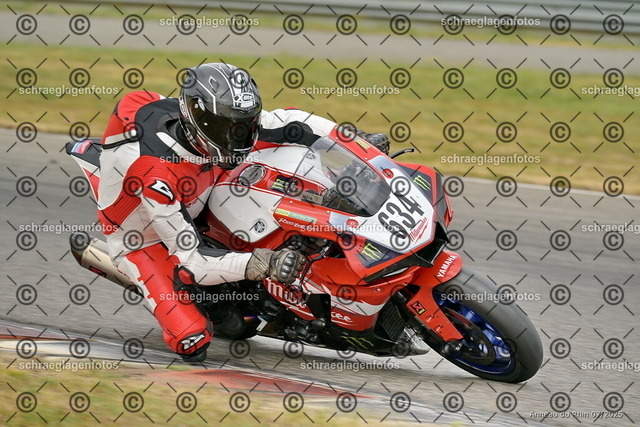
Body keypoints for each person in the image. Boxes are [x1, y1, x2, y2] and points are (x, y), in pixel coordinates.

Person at [97, 62, 389, 362]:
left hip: (207, 174)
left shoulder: (214, 132)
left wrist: (354, 142)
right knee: (195, 340)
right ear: (196, 120)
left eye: (243, 125)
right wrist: (264, 262)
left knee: (290, 149)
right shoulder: (157, 178)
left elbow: (287, 121)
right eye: (226, 128)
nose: (237, 138)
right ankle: (196, 297)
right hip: (148, 238)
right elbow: (192, 258)